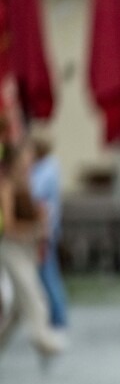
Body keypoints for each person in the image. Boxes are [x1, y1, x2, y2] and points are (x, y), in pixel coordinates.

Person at [0, 140, 64, 360]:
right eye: (26, 158)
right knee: (31, 292)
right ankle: (43, 339)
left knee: (18, 308)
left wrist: (41, 219)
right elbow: (7, 226)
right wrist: (35, 229)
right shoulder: (6, 185)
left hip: (27, 247)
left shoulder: (27, 182)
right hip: (11, 247)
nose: (30, 161)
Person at [29, 125, 67, 331]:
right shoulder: (44, 166)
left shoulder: (46, 168)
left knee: (47, 271)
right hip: (44, 228)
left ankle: (58, 316)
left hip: (45, 229)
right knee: (46, 270)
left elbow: (35, 194)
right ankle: (55, 314)